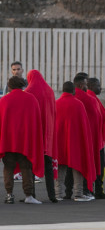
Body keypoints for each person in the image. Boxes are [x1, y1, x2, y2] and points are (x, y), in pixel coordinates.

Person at [0, 77, 44, 204]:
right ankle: (29, 196)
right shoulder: (31, 99)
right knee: (26, 167)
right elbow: (36, 121)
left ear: (9, 86)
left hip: (8, 141)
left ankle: (9, 195)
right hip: (26, 141)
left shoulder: (4, 100)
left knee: (8, 167)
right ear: (23, 85)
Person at [54, 81, 97, 202]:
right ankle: (78, 194)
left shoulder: (56, 103)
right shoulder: (78, 104)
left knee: (60, 167)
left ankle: (58, 194)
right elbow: (84, 126)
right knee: (78, 167)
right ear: (73, 91)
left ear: (62, 90)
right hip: (75, 142)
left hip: (59, 142)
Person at [25, 70, 58, 202]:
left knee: (31, 164)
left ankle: (31, 195)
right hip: (47, 133)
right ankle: (52, 195)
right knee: (48, 165)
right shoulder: (49, 91)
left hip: (34, 133)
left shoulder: (28, 91)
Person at [71, 73, 102, 197]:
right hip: (87, 137)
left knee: (67, 167)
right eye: (85, 84)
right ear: (80, 85)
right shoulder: (87, 99)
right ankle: (83, 191)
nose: (86, 87)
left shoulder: (77, 98)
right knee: (83, 164)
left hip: (73, 137)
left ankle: (62, 193)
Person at [87, 77, 105, 199]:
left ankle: (95, 189)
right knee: (100, 166)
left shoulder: (94, 98)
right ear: (91, 87)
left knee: (99, 165)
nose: (100, 88)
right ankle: (97, 189)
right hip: (96, 140)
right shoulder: (91, 99)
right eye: (98, 85)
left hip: (98, 139)